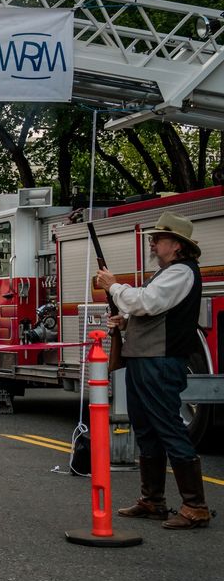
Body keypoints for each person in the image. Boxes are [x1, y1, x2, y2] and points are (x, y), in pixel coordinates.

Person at [95, 211, 211, 530]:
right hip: (146, 359)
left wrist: (114, 287)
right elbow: (152, 311)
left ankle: (195, 505)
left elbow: (146, 302)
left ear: (176, 244)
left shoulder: (181, 272)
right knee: (146, 427)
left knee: (168, 426)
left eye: (158, 239)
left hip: (159, 360)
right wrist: (127, 321)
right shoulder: (171, 272)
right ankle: (153, 500)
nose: (153, 244)